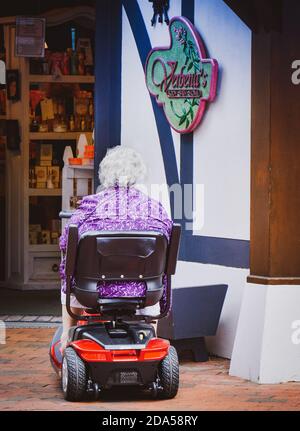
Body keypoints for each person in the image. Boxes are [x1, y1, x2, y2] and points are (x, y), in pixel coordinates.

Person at [59, 145, 173, 352]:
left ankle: (66, 337)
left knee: (68, 270)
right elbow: (167, 247)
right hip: (145, 290)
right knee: (158, 275)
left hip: (93, 290)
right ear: (138, 174)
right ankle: (150, 338)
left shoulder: (89, 206)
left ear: (105, 174)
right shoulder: (155, 208)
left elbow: (66, 242)